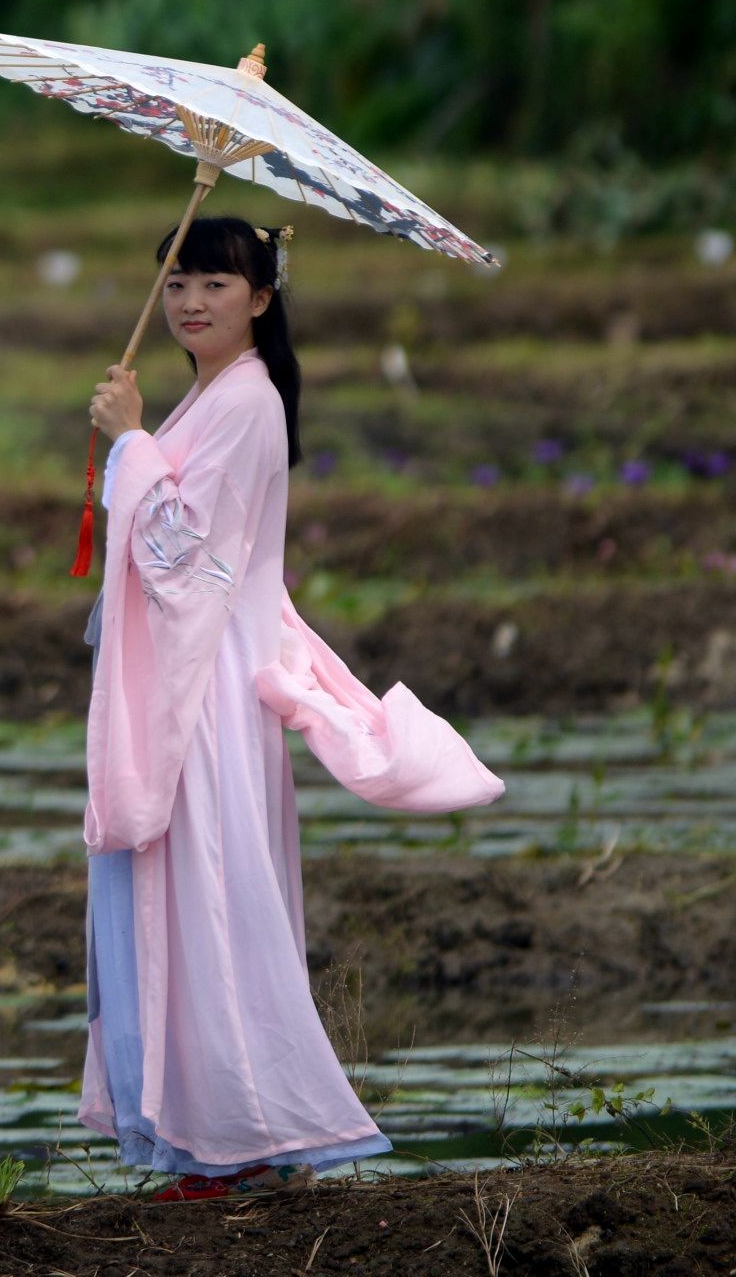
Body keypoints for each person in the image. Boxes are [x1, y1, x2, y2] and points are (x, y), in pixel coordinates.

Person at [79, 210, 479, 1198]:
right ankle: (204, 1135)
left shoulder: (246, 402)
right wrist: (132, 442)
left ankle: (240, 1133)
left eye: (214, 282)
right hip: (196, 670)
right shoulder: (214, 399)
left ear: (259, 297)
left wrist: (128, 441)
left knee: (209, 897)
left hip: (206, 688)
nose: (187, 301)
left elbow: (183, 554)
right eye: (174, 279)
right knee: (183, 896)